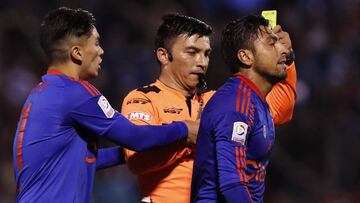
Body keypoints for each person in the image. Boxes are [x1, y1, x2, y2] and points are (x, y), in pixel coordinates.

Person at [12, 7, 198, 203]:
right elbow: (136, 137)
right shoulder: (76, 93)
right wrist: (184, 128)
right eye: (97, 43)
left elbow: (79, 162)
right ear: (77, 52)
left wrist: (129, 154)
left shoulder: (43, 94)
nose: (101, 51)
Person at [121, 14, 296, 203]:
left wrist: (286, 57)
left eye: (206, 54)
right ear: (164, 55)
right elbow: (136, 159)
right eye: (192, 52)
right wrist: (186, 135)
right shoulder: (143, 99)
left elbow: (279, 109)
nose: (202, 62)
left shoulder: (217, 100)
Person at [191, 15, 297, 203]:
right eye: (271, 44)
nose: (284, 50)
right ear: (246, 57)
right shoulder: (235, 103)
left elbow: (286, 106)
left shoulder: (256, 100)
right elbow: (232, 184)